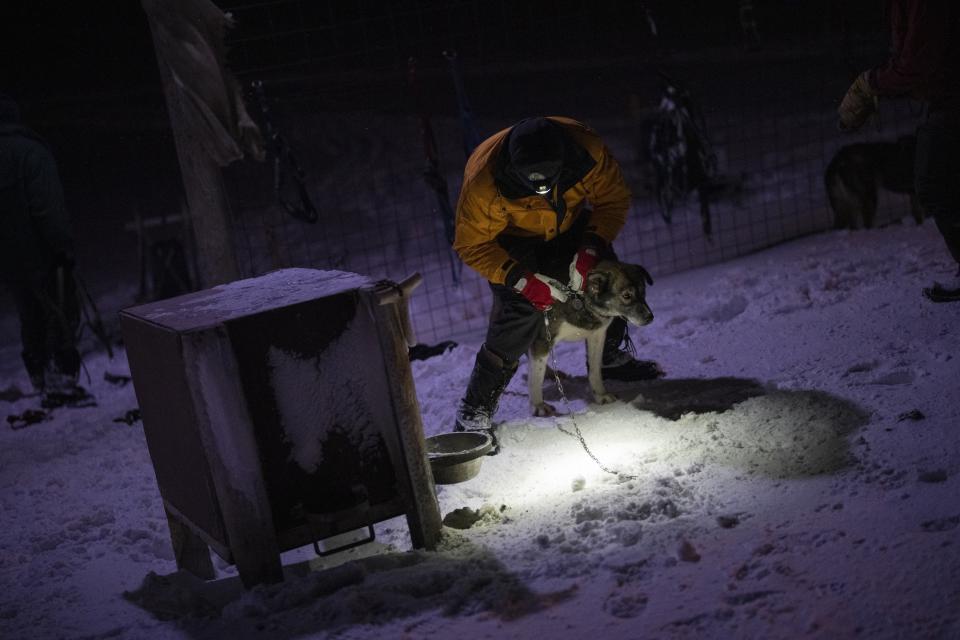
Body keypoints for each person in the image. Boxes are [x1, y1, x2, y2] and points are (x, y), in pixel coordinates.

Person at [452, 116, 663, 437]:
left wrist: (592, 245)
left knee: (608, 277)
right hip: (512, 239)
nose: (542, 190)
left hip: (570, 223)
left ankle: (607, 356)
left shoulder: (587, 151)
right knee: (520, 312)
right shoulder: (485, 182)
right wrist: (519, 278)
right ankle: (475, 410)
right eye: (533, 185)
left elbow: (613, 199)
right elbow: (472, 244)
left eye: (549, 181)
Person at [837, 0, 960, 302]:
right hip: (945, 94)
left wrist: (872, 83)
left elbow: (916, 63)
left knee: (933, 181)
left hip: (953, 96)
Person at [0, 93, 83, 396]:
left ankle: (39, 373)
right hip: (42, 253)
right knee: (60, 311)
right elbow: (47, 206)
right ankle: (63, 376)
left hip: (9, 259)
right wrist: (62, 246)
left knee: (28, 313)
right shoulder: (31, 153)